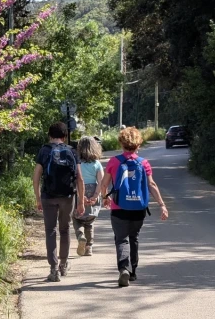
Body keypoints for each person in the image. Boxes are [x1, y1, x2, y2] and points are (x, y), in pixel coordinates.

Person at [100, 127, 169, 287]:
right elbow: (152, 185)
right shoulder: (144, 163)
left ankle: (124, 268)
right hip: (138, 208)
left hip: (119, 207)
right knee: (134, 237)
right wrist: (162, 205)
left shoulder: (114, 161)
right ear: (138, 145)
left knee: (121, 239)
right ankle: (133, 271)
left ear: (121, 143)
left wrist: (105, 197)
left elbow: (104, 184)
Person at [33, 122, 85, 282]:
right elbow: (80, 179)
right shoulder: (72, 151)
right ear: (65, 136)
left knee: (50, 230)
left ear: (49, 135)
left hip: (48, 196)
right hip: (68, 196)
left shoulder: (44, 150)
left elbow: (36, 177)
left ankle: (53, 269)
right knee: (65, 229)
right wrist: (81, 202)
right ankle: (63, 264)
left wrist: (38, 198)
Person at [73, 136, 104, 257]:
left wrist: (81, 196)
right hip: (93, 191)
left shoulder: (77, 163)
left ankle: (80, 236)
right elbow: (101, 182)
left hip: (79, 191)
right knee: (90, 221)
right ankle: (89, 247)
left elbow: (75, 180)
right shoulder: (97, 164)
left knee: (77, 218)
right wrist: (95, 196)